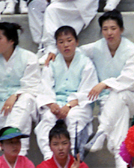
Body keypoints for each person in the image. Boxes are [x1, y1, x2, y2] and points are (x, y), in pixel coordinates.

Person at [80, 10, 134, 155]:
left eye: (113, 28)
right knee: (119, 107)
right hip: (113, 101)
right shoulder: (97, 47)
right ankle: (120, 155)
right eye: (105, 29)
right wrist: (53, 52)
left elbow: (129, 81)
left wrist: (104, 84)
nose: (109, 33)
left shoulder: (133, 50)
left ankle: (102, 132)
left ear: (121, 30)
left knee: (120, 93)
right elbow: (75, 52)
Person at [35, 25, 97, 156]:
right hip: (56, 104)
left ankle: (74, 156)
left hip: (77, 105)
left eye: (69, 40)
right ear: (57, 45)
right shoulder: (52, 63)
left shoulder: (86, 63)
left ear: (77, 42)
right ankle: (49, 157)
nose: (66, 45)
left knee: (74, 117)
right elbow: (45, 88)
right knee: (47, 118)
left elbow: (87, 92)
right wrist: (52, 105)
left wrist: (68, 106)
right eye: (61, 42)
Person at [0, 20, 44, 148]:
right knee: (25, 119)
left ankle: (8, 135)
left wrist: (15, 95)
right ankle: (20, 155)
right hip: (2, 108)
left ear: (11, 41)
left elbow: (33, 85)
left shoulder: (29, 57)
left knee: (27, 99)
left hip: (26, 103)